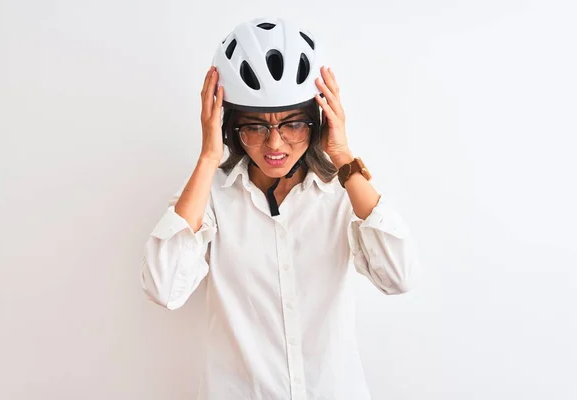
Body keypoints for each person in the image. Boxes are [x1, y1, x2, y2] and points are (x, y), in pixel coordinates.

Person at [142, 17, 420, 400]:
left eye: (293, 124)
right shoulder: (213, 195)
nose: (276, 143)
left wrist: (342, 156)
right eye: (255, 126)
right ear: (230, 126)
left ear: (318, 121)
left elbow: (398, 277)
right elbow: (163, 286)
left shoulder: (341, 192)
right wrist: (209, 156)